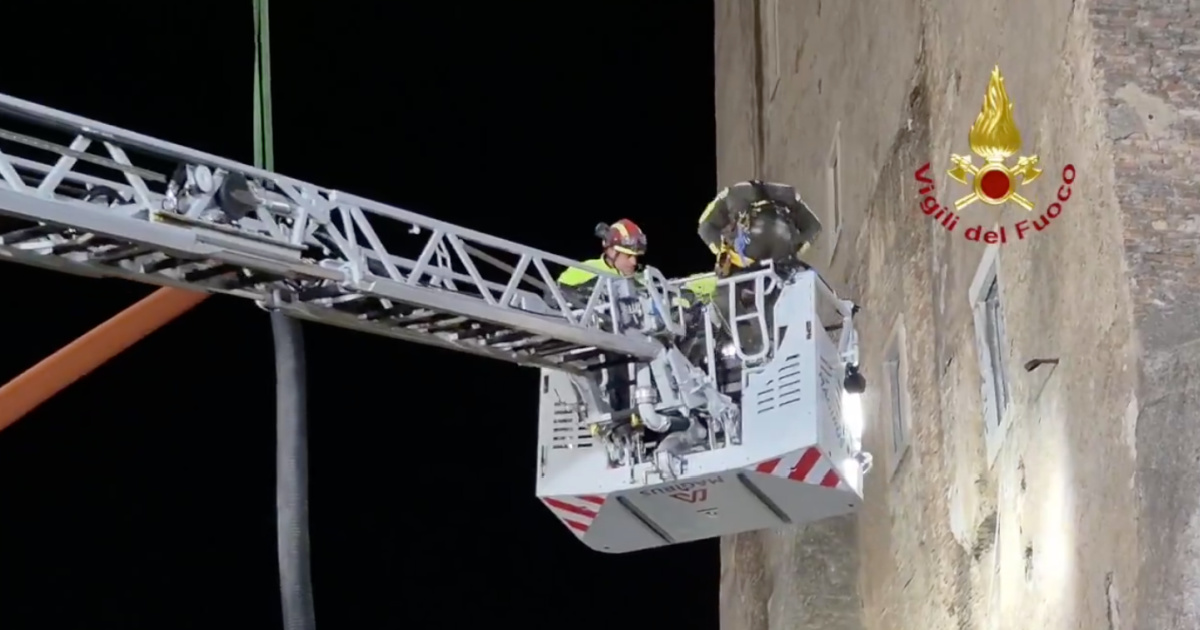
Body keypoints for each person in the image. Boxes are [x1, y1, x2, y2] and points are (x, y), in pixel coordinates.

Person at [697, 180, 822, 277]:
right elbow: (815, 227)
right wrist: (794, 248)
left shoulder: (732, 192)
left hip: (752, 240)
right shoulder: (787, 193)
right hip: (784, 244)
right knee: (782, 279)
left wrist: (724, 252)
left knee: (728, 276)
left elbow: (704, 226)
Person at [556, 219, 647, 289]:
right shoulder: (583, 270)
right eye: (628, 256)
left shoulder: (642, 281)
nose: (634, 262)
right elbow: (555, 296)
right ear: (611, 251)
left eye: (636, 256)